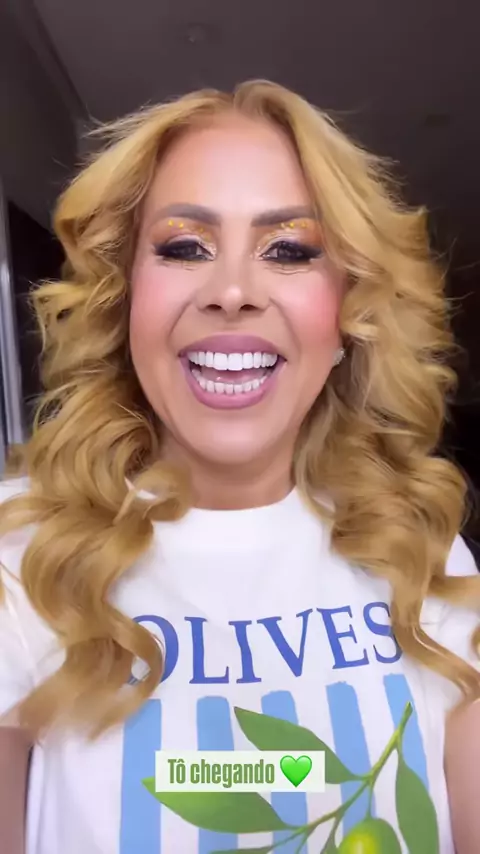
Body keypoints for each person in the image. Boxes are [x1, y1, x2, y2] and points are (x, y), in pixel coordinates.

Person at [0, 79, 479, 854]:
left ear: (349, 312)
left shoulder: (422, 551)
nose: (231, 291)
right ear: (125, 299)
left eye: (288, 249)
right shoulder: (25, 558)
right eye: (184, 247)